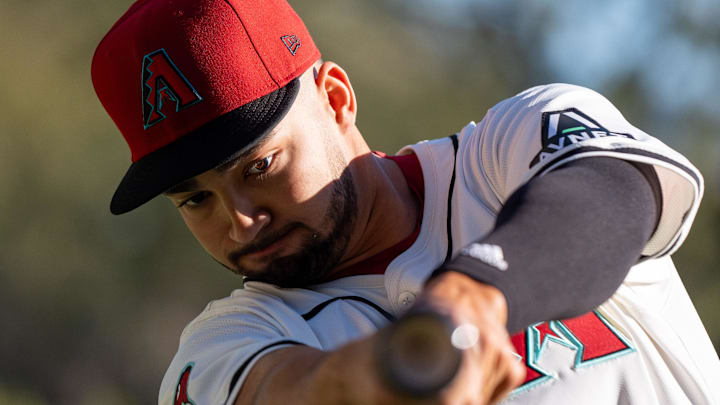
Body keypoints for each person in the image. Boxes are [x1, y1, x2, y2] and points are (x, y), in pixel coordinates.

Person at [91, 0, 720, 404]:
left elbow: (610, 198)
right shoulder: (227, 342)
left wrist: (473, 297)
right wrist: (375, 377)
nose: (241, 219)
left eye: (259, 166)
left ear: (335, 99)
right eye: (195, 199)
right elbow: (293, 389)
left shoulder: (510, 150)